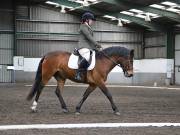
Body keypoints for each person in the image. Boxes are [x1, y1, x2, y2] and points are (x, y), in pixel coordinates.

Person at [75, 12, 102, 81]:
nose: (92, 21)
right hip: (82, 47)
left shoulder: (88, 27)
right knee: (87, 57)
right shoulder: (83, 26)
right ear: (87, 20)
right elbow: (89, 37)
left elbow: (90, 41)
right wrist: (97, 44)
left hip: (88, 47)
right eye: (91, 20)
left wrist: (97, 49)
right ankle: (78, 73)